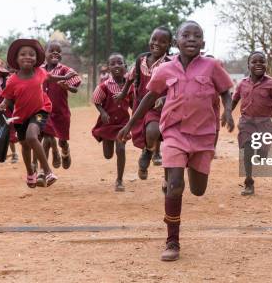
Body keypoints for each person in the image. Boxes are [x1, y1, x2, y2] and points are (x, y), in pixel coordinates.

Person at [117, 20, 235, 262]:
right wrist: (130, 125)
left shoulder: (212, 66)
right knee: (175, 185)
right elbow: (149, 97)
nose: (191, 39)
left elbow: (225, 91)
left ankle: (183, 171)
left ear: (203, 43)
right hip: (174, 132)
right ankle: (172, 240)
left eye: (197, 36)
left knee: (198, 190)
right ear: (176, 42)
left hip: (203, 135)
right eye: (186, 35)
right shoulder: (165, 69)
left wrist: (228, 110)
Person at [0, 38, 76, 188]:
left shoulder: (40, 72)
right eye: (23, 54)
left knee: (32, 137)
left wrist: (65, 77)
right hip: (20, 117)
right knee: (25, 146)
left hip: (40, 111)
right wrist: (2, 104)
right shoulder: (12, 80)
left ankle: (47, 171)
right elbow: (7, 97)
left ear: (36, 59)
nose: (28, 56)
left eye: (32, 54)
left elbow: (51, 78)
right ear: (16, 60)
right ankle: (30, 172)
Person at [115, 26, 173, 179]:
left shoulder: (170, 64)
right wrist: (122, 93)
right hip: (140, 104)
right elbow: (129, 78)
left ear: (169, 45)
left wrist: (165, 98)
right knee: (143, 135)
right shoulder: (141, 60)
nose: (156, 43)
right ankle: (149, 149)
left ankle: (150, 151)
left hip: (158, 108)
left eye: (162, 41)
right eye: (153, 39)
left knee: (153, 132)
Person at [232, 51, 272, 196]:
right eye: (254, 62)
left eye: (262, 61)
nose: (258, 64)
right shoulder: (242, 84)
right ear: (248, 65)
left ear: (266, 64)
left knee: (262, 154)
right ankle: (249, 182)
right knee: (248, 149)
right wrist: (227, 113)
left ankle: (261, 154)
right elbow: (234, 100)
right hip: (247, 122)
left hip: (264, 123)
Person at [91, 53, 132, 191]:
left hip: (123, 124)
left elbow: (133, 103)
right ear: (108, 68)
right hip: (107, 124)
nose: (116, 66)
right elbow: (96, 101)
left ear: (125, 66)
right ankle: (106, 141)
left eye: (119, 63)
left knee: (120, 148)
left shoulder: (129, 85)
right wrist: (102, 112)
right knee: (108, 155)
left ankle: (119, 180)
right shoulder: (104, 86)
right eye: (113, 64)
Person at [41, 42, 82, 170]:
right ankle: (43, 171)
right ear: (44, 53)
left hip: (61, 112)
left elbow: (75, 88)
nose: (55, 53)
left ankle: (65, 152)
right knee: (47, 138)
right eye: (51, 50)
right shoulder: (39, 70)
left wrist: (68, 87)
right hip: (44, 111)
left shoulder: (65, 70)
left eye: (58, 51)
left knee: (62, 141)